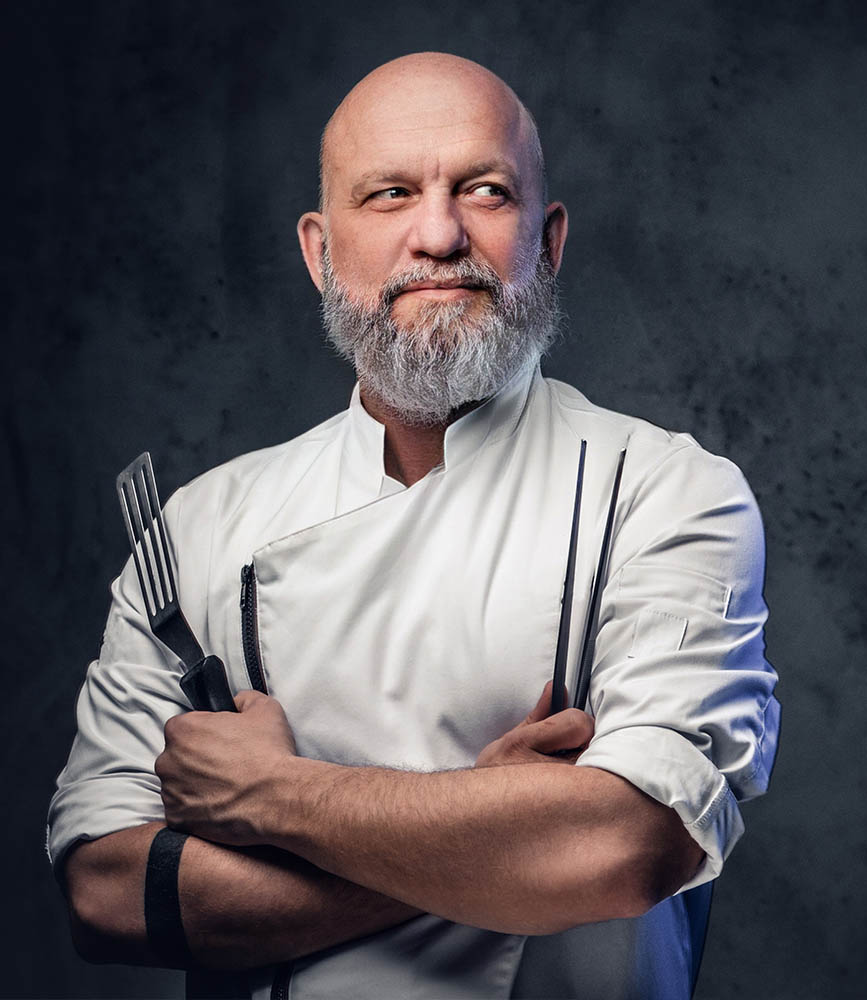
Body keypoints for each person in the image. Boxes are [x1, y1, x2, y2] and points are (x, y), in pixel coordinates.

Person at [47, 52, 781, 999]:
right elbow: (106, 894)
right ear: (320, 252)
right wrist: (493, 824)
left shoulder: (664, 492)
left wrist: (271, 796)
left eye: (484, 190)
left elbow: (627, 844)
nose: (438, 234)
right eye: (389, 194)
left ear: (548, 242)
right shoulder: (199, 530)